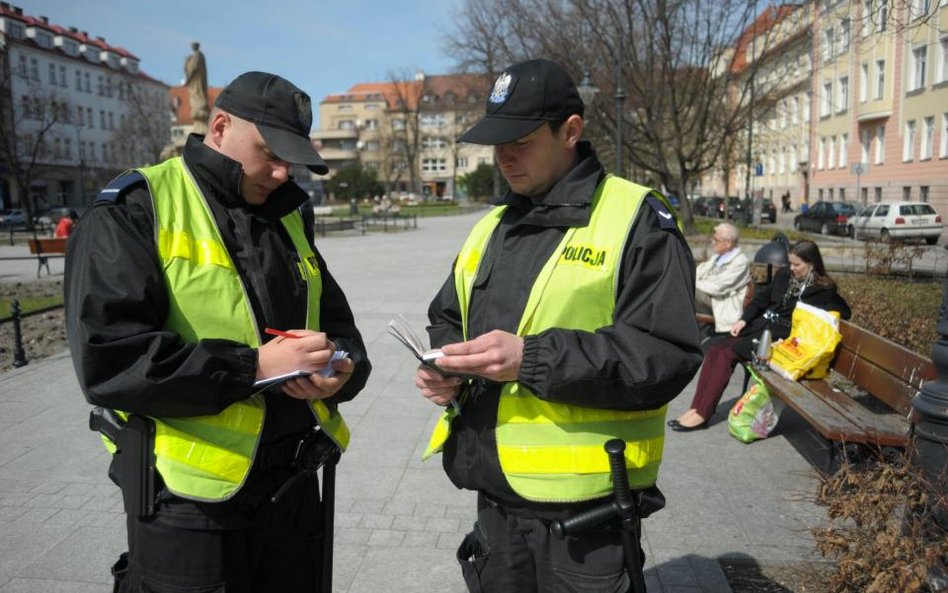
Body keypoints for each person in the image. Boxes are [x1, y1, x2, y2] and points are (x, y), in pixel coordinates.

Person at [64, 71, 371, 592]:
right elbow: (110, 359)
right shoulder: (138, 206)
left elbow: (338, 328)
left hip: (291, 493)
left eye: (290, 159)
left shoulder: (288, 215)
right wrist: (253, 368)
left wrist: (340, 368)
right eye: (269, 153)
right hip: (188, 507)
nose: (280, 173)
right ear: (221, 126)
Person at [414, 58, 702, 593]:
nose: (504, 156)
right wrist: (445, 363)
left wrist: (531, 359)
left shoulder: (637, 217)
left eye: (520, 140)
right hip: (496, 499)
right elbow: (447, 315)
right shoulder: (493, 225)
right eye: (497, 142)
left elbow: (666, 354)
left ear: (571, 130)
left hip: (585, 515)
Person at [669, 240, 850, 432]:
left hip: (781, 339)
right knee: (715, 349)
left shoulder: (822, 288)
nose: (792, 268)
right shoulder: (784, 276)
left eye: (797, 264)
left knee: (726, 353)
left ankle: (702, 414)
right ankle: (696, 408)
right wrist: (743, 320)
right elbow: (761, 299)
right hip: (760, 328)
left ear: (812, 263)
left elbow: (844, 311)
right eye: (790, 263)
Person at [695, 222, 751, 343]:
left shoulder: (740, 262)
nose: (712, 242)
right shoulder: (717, 257)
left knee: (686, 288)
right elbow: (696, 273)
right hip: (709, 297)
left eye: (716, 240)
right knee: (681, 285)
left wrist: (692, 282)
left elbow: (717, 288)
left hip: (721, 302)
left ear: (728, 242)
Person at [184, 41, 209, 131]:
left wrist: (187, 64)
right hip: (197, 81)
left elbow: (192, 68)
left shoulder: (197, 55)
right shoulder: (199, 55)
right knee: (197, 95)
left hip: (197, 81)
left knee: (198, 94)